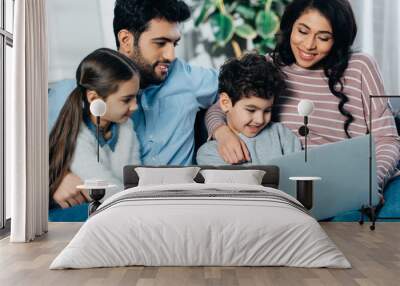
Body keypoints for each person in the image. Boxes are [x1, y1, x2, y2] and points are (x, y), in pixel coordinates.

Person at [205, 0, 400, 192]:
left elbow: (387, 140)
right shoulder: (271, 65)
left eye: (323, 38)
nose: (308, 45)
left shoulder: (361, 67)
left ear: (337, 39)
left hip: (350, 181)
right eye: (303, 31)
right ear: (291, 26)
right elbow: (221, 107)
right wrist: (222, 133)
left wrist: (371, 182)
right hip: (293, 185)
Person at [51, 0, 219, 208]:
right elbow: (30, 153)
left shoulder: (189, 78)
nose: (171, 55)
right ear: (126, 39)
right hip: (120, 211)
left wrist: (218, 125)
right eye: (160, 43)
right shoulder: (76, 93)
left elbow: (243, 85)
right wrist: (56, 179)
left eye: (174, 44)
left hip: (182, 206)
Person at [49, 48, 141, 209]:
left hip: (118, 207)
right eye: (126, 100)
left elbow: (135, 180)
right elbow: (105, 190)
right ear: (93, 98)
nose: (135, 106)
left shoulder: (127, 127)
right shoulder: (78, 135)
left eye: (136, 97)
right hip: (78, 214)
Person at [197, 53, 301, 165]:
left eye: (267, 110)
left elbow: (299, 174)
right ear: (225, 103)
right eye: (251, 110)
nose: (260, 120)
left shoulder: (282, 135)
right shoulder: (209, 153)